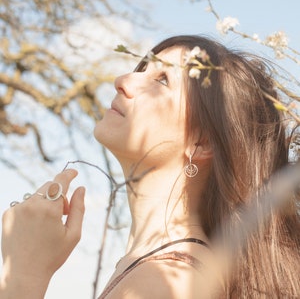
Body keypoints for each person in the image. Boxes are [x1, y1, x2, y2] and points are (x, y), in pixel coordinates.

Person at [0, 35, 299, 298]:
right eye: (141, 68)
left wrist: (25, 272)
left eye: (162, 80)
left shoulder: (166, 282)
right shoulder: (157, 269)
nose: (124, 80)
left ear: (201, 143)